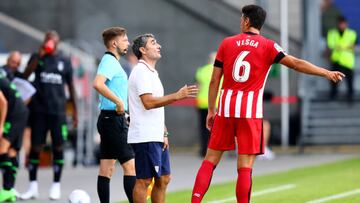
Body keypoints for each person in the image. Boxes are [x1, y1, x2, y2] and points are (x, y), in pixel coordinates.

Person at [191, 5, 344, 203]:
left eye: (241, 18)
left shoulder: (227, 43)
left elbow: (214, 81)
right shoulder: (268, 46)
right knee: (245, 166)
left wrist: (212, 110)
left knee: (210, 160)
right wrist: (326, 72)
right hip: (250, 112)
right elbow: (296, 63)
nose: (240, 21)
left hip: (226, 109)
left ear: (247, 21)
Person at [128, 33, 198, 203]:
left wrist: (163, 132)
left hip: (155, 134)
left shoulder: (152, 72)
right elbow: (148, 103)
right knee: (144, 180)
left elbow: (156, 109)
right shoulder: (141, 71)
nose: (159, 45)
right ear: (143, 50)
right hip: (145, 135)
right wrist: (177, 95)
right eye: (153, 43)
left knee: (164, 178)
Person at [20, 30, 78, 200]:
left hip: (58, 111)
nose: (51, 42)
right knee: (36, 147)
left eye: (54, 40)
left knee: (58, 146)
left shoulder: (64, 61)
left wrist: (75, 111)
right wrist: (39, 55)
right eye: (48, 39)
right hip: (39, 111)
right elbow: (24, 77)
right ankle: (32, 186)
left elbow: (71, 86)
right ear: (45, 40)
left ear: (58, 42)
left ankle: (56, 185)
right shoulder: (37, 57)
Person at [92, 27, 136, 203]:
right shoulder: (109, 61)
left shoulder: (112, 62)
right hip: (112, 120)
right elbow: (98, 84)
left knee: (106, 169)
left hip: (109, 119)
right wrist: (119, 102)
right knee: (130, 166)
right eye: (125, 40)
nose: (128, 43)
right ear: (114, 43)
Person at [0, 73, 29, 202]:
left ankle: (6, 190)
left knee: (2, 148)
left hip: (14, 114)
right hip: (21, 111)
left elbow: (3, 103)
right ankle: (10, 190)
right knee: (11, 151)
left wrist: (1, 125)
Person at [327, 16, 357, 103]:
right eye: (340, 24)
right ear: (338, 24)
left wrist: (339, 46)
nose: (342, 25)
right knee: (334, 80)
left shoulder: (352, 33)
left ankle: (350, 97)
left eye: (343, 23)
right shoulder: (332, 33)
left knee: (349, 81)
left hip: (347, 61)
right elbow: (331, 45)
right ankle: (333, 95)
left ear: (346, 24)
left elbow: (353, 46)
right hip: (337, 60)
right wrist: (346, 47)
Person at [195, 52, 217, 157]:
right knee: (216, 129)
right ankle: (214, 151)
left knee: (204, 128)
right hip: (217, 103)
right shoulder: (221, 70)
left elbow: (198, 88)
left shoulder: (201, 71)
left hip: (203, 103)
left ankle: (204, 150)